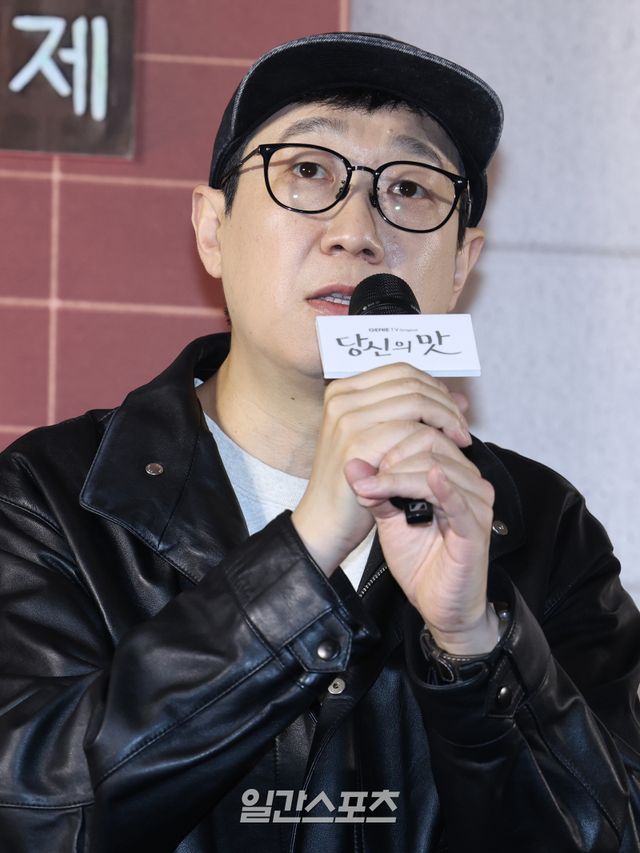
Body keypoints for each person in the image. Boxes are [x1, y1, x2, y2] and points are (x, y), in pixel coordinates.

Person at [0, 31, 638, 853]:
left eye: (407, 188)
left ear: (461, 266)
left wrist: (475, 642)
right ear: (211, 228)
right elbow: (33, 816)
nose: (356, 229)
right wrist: (304, 555)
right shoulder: (54, 498)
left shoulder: (541, 528)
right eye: (307, 171)